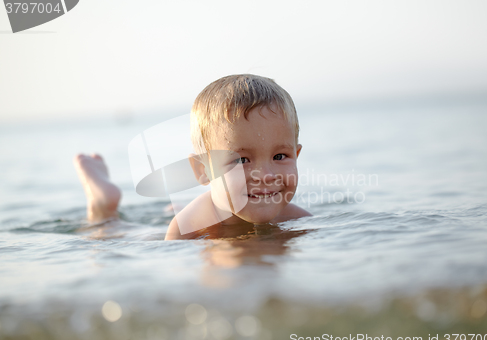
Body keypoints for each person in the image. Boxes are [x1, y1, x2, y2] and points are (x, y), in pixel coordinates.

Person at [73, 74, 310, 240]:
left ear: (296, 155)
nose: (266, 176)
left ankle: (172, 206)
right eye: (241, 160)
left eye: (280, 156)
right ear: (203, 171)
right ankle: (103, 206)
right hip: (150, 231)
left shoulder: (298, 219)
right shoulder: (189, 227)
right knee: (110, 234)